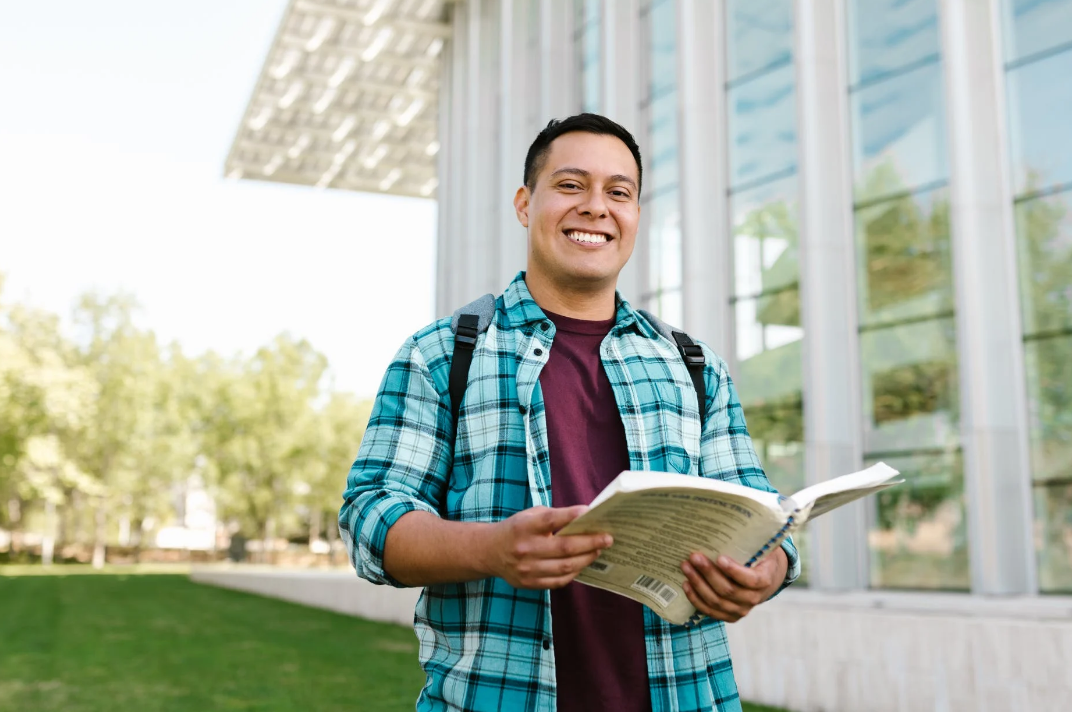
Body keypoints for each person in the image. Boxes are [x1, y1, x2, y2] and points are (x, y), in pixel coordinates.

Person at [339, 113, 799, 712]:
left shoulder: (695, 366)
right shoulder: (441, 355)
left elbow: (762, 513)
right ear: (526, 204)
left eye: (619, 192)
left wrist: (764, 573)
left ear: (635, 215)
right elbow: (370, 518)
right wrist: (491, 549)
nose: (597, 207)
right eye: (571, 185)